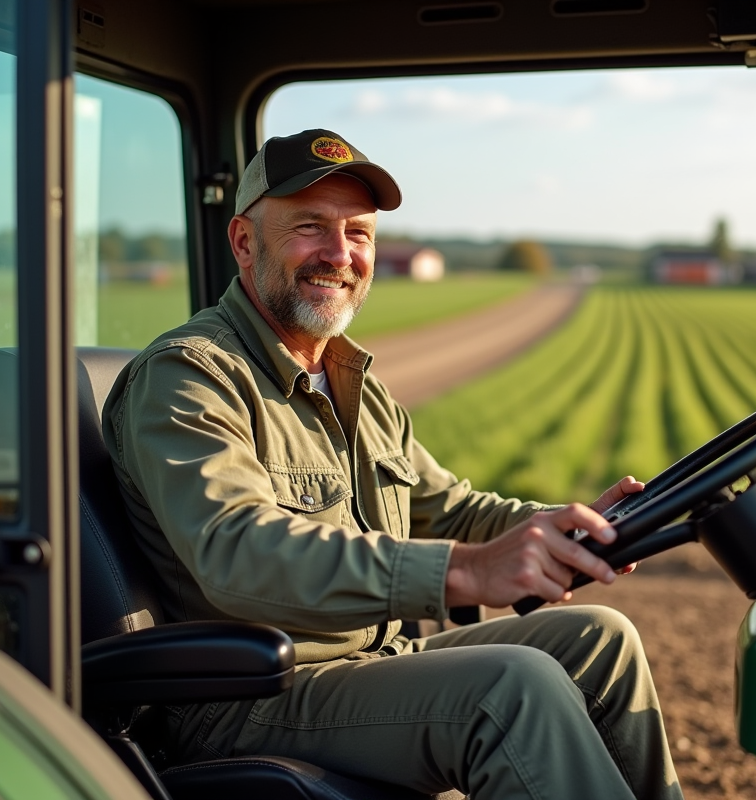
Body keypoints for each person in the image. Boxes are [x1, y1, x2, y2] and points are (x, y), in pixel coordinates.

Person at [103, 128, 682, 800]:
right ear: (243, 241)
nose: (340, 254)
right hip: (246, 695)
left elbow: (449, 508)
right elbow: (238, 555)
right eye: (311, 228)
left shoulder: (350, 380)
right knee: (511, 691)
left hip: (367, 662)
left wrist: (565, 524)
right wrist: (465, 572)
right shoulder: (189, 376)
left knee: (601, 643)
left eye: (359, 233)